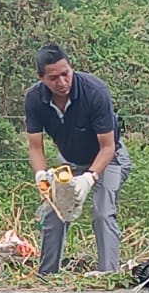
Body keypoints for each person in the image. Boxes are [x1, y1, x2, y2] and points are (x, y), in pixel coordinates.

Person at [24, 42, 133, 276]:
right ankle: (47, 277)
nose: (62, 82)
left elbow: (108, 147)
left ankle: (108, 277)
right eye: (54, 78)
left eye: (66, 74)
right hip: (70, 161)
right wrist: (41, 176)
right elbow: (35, 146)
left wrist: (89, 178)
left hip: (109, 158)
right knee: (54, 211)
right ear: (41, 78)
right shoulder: (34, 98)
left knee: (103, 213)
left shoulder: (94, 91)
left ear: (71, 68)